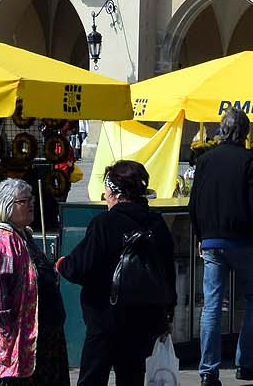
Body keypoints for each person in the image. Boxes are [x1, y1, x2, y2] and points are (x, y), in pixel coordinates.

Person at [58, 159, 177, 386]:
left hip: (106, 317)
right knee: (132, 378)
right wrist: (167, 314)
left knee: (93, 378)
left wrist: (62, 264)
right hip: (146, 317)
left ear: (114, 192)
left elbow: (79, 267)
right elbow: (167, 272)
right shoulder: (156, 223)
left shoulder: (105, 223)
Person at [190, 108, 253, 386]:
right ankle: (247, 363)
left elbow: (194, 204)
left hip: (212, 240)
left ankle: (208, 370)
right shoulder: (251, 160)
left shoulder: (204, 160)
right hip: (244, 240)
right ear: (245, 133)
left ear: (221, 129)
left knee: (212, 305)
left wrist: (201, 235)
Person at [0, 176, 68, 386]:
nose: (32, 203)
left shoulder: (22, 235)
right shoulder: (0, 242)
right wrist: (13, 334)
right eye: (24, 201)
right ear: (6, 206)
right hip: (9, 349)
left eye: (31, 199)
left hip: (38, 341)